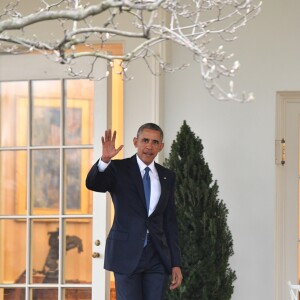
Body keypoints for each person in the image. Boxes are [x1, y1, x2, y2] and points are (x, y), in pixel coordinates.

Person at [86, 123, 183, 300]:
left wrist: (175, 263)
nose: (149, 146)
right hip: (126, 254)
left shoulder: (167, 176)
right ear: (135, 142)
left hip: (157, 257)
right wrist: (105, 161)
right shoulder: (118, 169)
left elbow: (170, 222)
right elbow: (94, 184)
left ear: (161, 146)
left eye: (155, 142)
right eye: (145, 140)